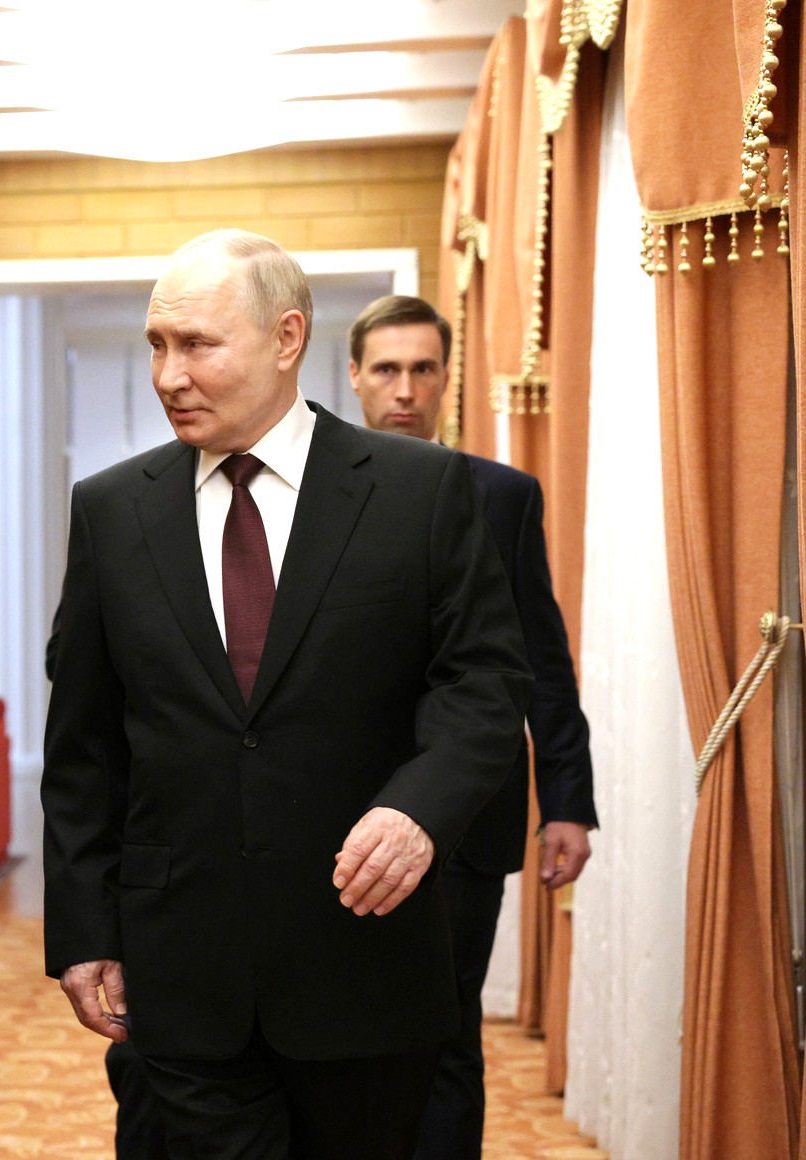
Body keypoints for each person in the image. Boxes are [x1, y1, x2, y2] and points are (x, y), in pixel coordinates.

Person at [42, 229, 531, 1159]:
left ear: (286, 337)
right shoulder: (112, 510)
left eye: (197, 344)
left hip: (366, 960)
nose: (169, 375)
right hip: (183, 971)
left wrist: (421, 811)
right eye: (157, 345)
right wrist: (82, 928)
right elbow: (85, 744)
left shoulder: (418, 489)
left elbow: (484, 682)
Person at [346, 294, 599, 1160]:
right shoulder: (308, 497)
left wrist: (567, 801)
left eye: (423, 369)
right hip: (339, 815)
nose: (405, 390)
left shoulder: (502, 496)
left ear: (447, 378)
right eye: (387, 369)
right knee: (342, 1039)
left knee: (447, 1036)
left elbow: (539, 659)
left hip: (468, 823)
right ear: (355, 377)